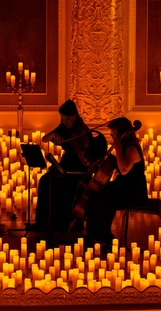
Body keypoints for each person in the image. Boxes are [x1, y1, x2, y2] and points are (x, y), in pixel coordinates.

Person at [83, 117, 148, 244]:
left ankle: (103, 235)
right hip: (124, 186)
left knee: (104, 199)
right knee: (97, 194)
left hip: (133, 192)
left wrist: (117, 149)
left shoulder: (132, 148)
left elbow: (123, 170)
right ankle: (95, 233)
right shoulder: (125, 146)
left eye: (113, 132)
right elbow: (117, 163)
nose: (111, 135)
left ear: (123, 133)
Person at [34, 99, 95, 231]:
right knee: (44, 180)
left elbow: (87, 157)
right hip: (65, 165)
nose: (65, 122)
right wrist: (54, 134)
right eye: (62, 119)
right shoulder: (63, 127)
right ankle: (42, 222)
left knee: (58, 185)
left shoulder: (82, 130)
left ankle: (59, 222)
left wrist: (83, 155)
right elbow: (45, 138)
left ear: (75, 116)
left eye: (67, 119)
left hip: (77, 168)